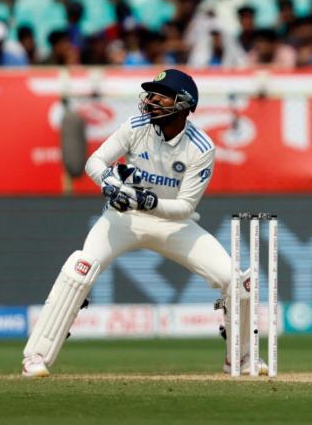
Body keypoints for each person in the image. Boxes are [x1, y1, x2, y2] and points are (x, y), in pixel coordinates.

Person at [21, 69, 264, 377]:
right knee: (79, 269)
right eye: (150, 93)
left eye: (160, 95)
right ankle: (36, 357)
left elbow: (185, 207)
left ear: (184, 104)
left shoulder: (201, 148)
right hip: (123, 218)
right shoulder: (136, 126)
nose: (150, 100)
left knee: (236, 281)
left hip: (173, 225)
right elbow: (94, 162)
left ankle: (240, 359)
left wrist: (148, 201)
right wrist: (110, 183)